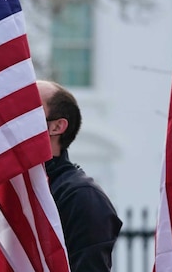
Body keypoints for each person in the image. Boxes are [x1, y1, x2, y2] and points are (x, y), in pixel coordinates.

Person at [37, 80, 122, 272]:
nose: (15, 116)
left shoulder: (81, 197)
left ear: (57, 126)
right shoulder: (5, 186)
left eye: (29, 109)